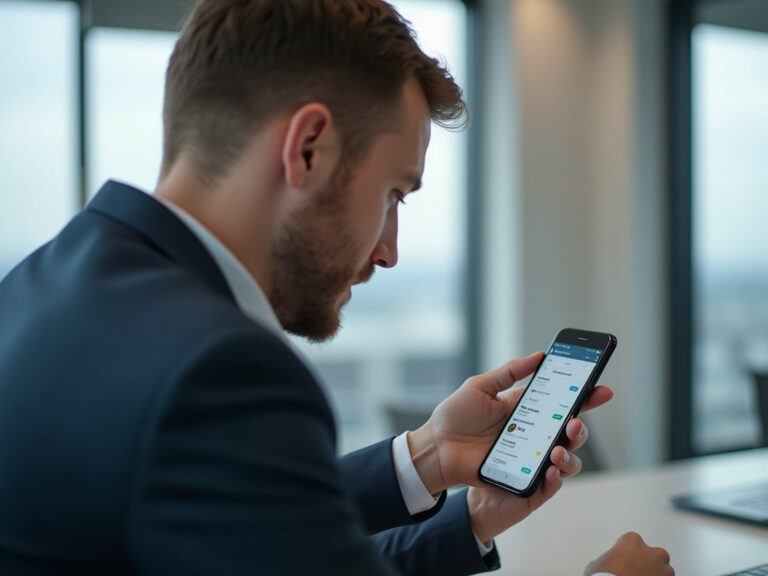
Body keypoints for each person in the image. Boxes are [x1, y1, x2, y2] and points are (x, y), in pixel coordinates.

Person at [0, 1, 674, 574]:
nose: (389, 252)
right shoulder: (217, 370)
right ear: (308, 149)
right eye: (392, 195)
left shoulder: (44, 282)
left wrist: (429, 459)